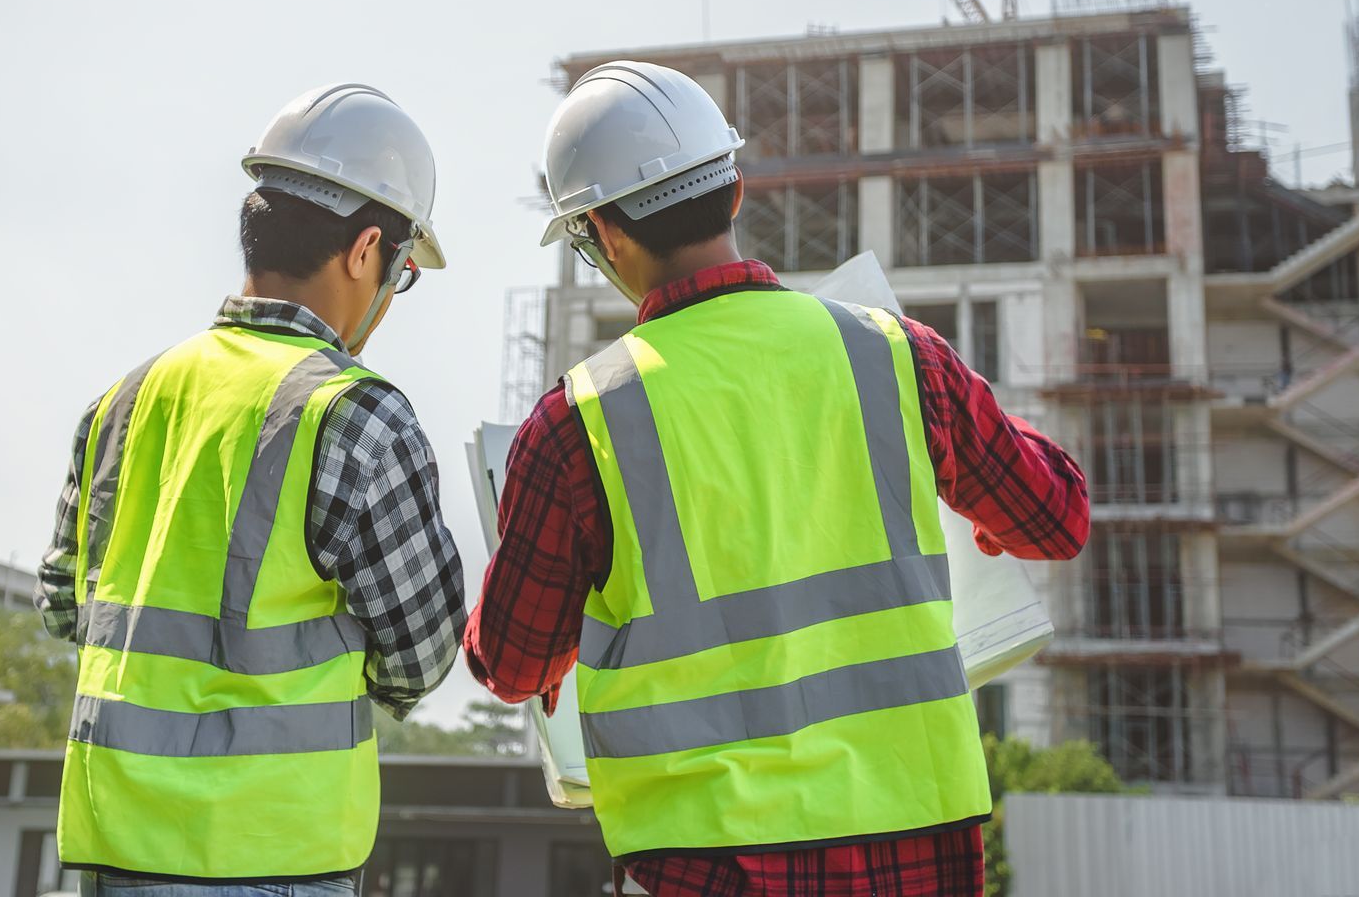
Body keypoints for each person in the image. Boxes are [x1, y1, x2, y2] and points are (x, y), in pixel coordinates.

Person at [465, 61, 1090, 897]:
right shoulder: (897, 355)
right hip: (916, 843)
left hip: (707, 857)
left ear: (605, 234)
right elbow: (1056, 518)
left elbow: (511, 663)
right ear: (735, 190)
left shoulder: (578, 425)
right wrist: (976, 508)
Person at [35, 84, 466, 895]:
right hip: (273, 858)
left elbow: (64, 604)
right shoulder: (355, 415)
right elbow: (423, 655)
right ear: (369, 249)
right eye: (402, 274)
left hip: (111, 850)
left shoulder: (124, 402)